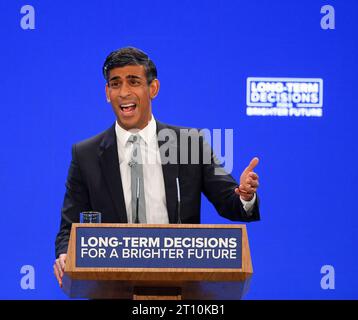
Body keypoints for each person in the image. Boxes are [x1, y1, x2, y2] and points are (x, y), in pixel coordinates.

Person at [53, 47, 260, 287]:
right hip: (110, 287)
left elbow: (230, 203)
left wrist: (245, 195)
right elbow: (69, 227)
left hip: (181, 285)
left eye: (134, 81)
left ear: (153, 88)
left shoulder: (189, 144)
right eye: (115, 83)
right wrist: (65, 254)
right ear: (107, 92)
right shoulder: (86, 154)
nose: (124, 92)